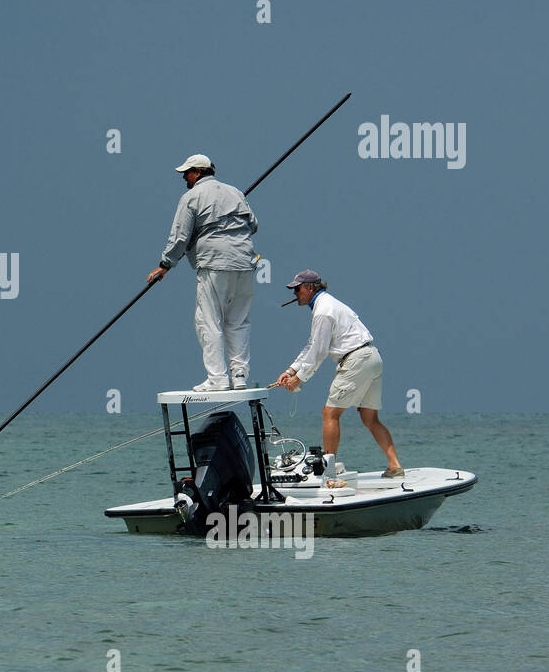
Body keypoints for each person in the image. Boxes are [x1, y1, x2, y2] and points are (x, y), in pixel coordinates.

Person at [273, 270, 404, 477]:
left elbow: (319, 351)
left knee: (330, 414)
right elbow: (313, 345)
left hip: (355, 360)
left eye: (297, 289)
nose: (295, 294)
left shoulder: (323, 311)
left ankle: (328, 471)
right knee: (370, 418)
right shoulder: (327, 305)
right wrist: (290, 370)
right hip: (372, 357)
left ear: (309, 288)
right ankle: (395, 465)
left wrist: (299, 378)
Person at [146, 154, 258, 391]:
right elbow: (253, 225)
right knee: (238, 321)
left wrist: (165, 264)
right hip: (245, 263)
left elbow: (180, 236)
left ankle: (217, 379)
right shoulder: (236, 192)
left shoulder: (191, 196)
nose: (184, 177)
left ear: (198, 172)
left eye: (186, 172)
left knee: (209, 320)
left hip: (214, 263)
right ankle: (239, 377)